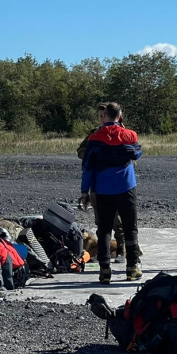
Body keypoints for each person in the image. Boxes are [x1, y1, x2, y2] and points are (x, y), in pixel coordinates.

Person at [80, 102, 143, 284]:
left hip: (102, 190)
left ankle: (104, 270)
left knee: (104, 230)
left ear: (105, 115)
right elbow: (137, 154)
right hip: (126, 187)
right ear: (120, 115)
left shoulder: (95, 138)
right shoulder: (130, 135)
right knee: (130, 228)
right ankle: (132, 267)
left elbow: (87, 168)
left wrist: (85, 191)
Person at [77, 102, 127, 263]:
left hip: (117, 183)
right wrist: (91, 156)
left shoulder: (122, 133)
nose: (101, 119)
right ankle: (103, 251)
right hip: (98, 184)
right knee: (101, 221)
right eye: (99, 116)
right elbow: (81, 151)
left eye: (103, 115)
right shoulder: (95, 134)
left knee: (118, 221)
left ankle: (122, 250)